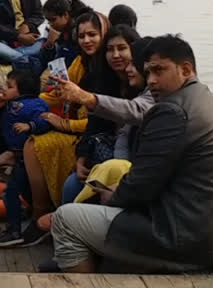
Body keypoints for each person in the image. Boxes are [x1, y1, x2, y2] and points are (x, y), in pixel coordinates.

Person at [50, 35, 213, 273]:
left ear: (186, 70)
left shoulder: (172, 111)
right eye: (148, 72)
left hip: (185, 240)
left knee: (65, 219)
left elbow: (141, 185)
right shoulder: (212, 101)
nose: (151, 81)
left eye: (159, 71)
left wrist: (113, 197)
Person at [0, 12, 117, 247]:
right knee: (33, 138)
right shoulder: (80, 62)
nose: (87, 41)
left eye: (93, 34)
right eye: (82, 35)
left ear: (104, 35)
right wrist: (25, 100)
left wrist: (63, 124)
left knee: (36, 144)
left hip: (100, 135)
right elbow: (57, 93)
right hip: (83, 131)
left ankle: (39, 215)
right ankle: (36, 210)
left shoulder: (110, 71)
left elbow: (105, 119)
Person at [55, 33, 154, 205]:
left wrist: (85, 99)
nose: (116, 55)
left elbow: (134, 111)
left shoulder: (152, 93)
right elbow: (95, 124)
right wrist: (82, 156)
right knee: (72, 183)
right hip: (107, 155)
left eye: (122, 49)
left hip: (132, 171)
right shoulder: (103, 79)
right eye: (109, 49)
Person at [0, 70, 51, 247]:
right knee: (24, 192)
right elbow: (3, 131)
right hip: (17, 158)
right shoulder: (11, 105)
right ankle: (24, 218)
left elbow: (45, 122)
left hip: (27, 159)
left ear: (22, 89)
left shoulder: (36, 104)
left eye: (9, 86)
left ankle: (14, 231)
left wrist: (29, 125)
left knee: (10, 193)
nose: (4, 90)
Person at [39, 0, 93, 69]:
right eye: (48, 21)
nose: (51, 24)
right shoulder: (60, 31)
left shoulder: (80, 31)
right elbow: (45, 62)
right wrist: (49, 44)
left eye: (53, 20)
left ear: (65, 15)